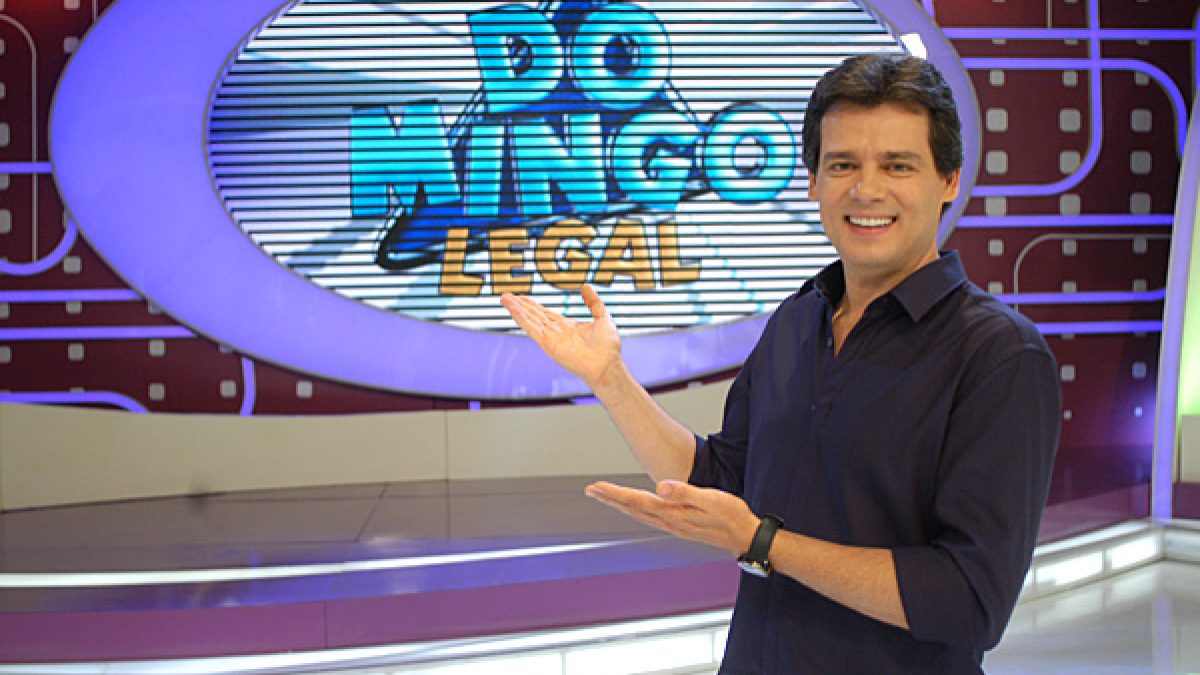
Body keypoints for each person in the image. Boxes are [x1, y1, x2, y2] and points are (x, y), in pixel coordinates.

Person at [501, 53, 1060, 673]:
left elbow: (969, 600)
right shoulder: (798, 319)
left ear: (948, 180)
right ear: (813, 181)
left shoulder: (999, 355)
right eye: (842, 165)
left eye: (897, 165)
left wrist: (762, 542)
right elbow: (724, 481)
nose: (866, 189)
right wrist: (611, 380)